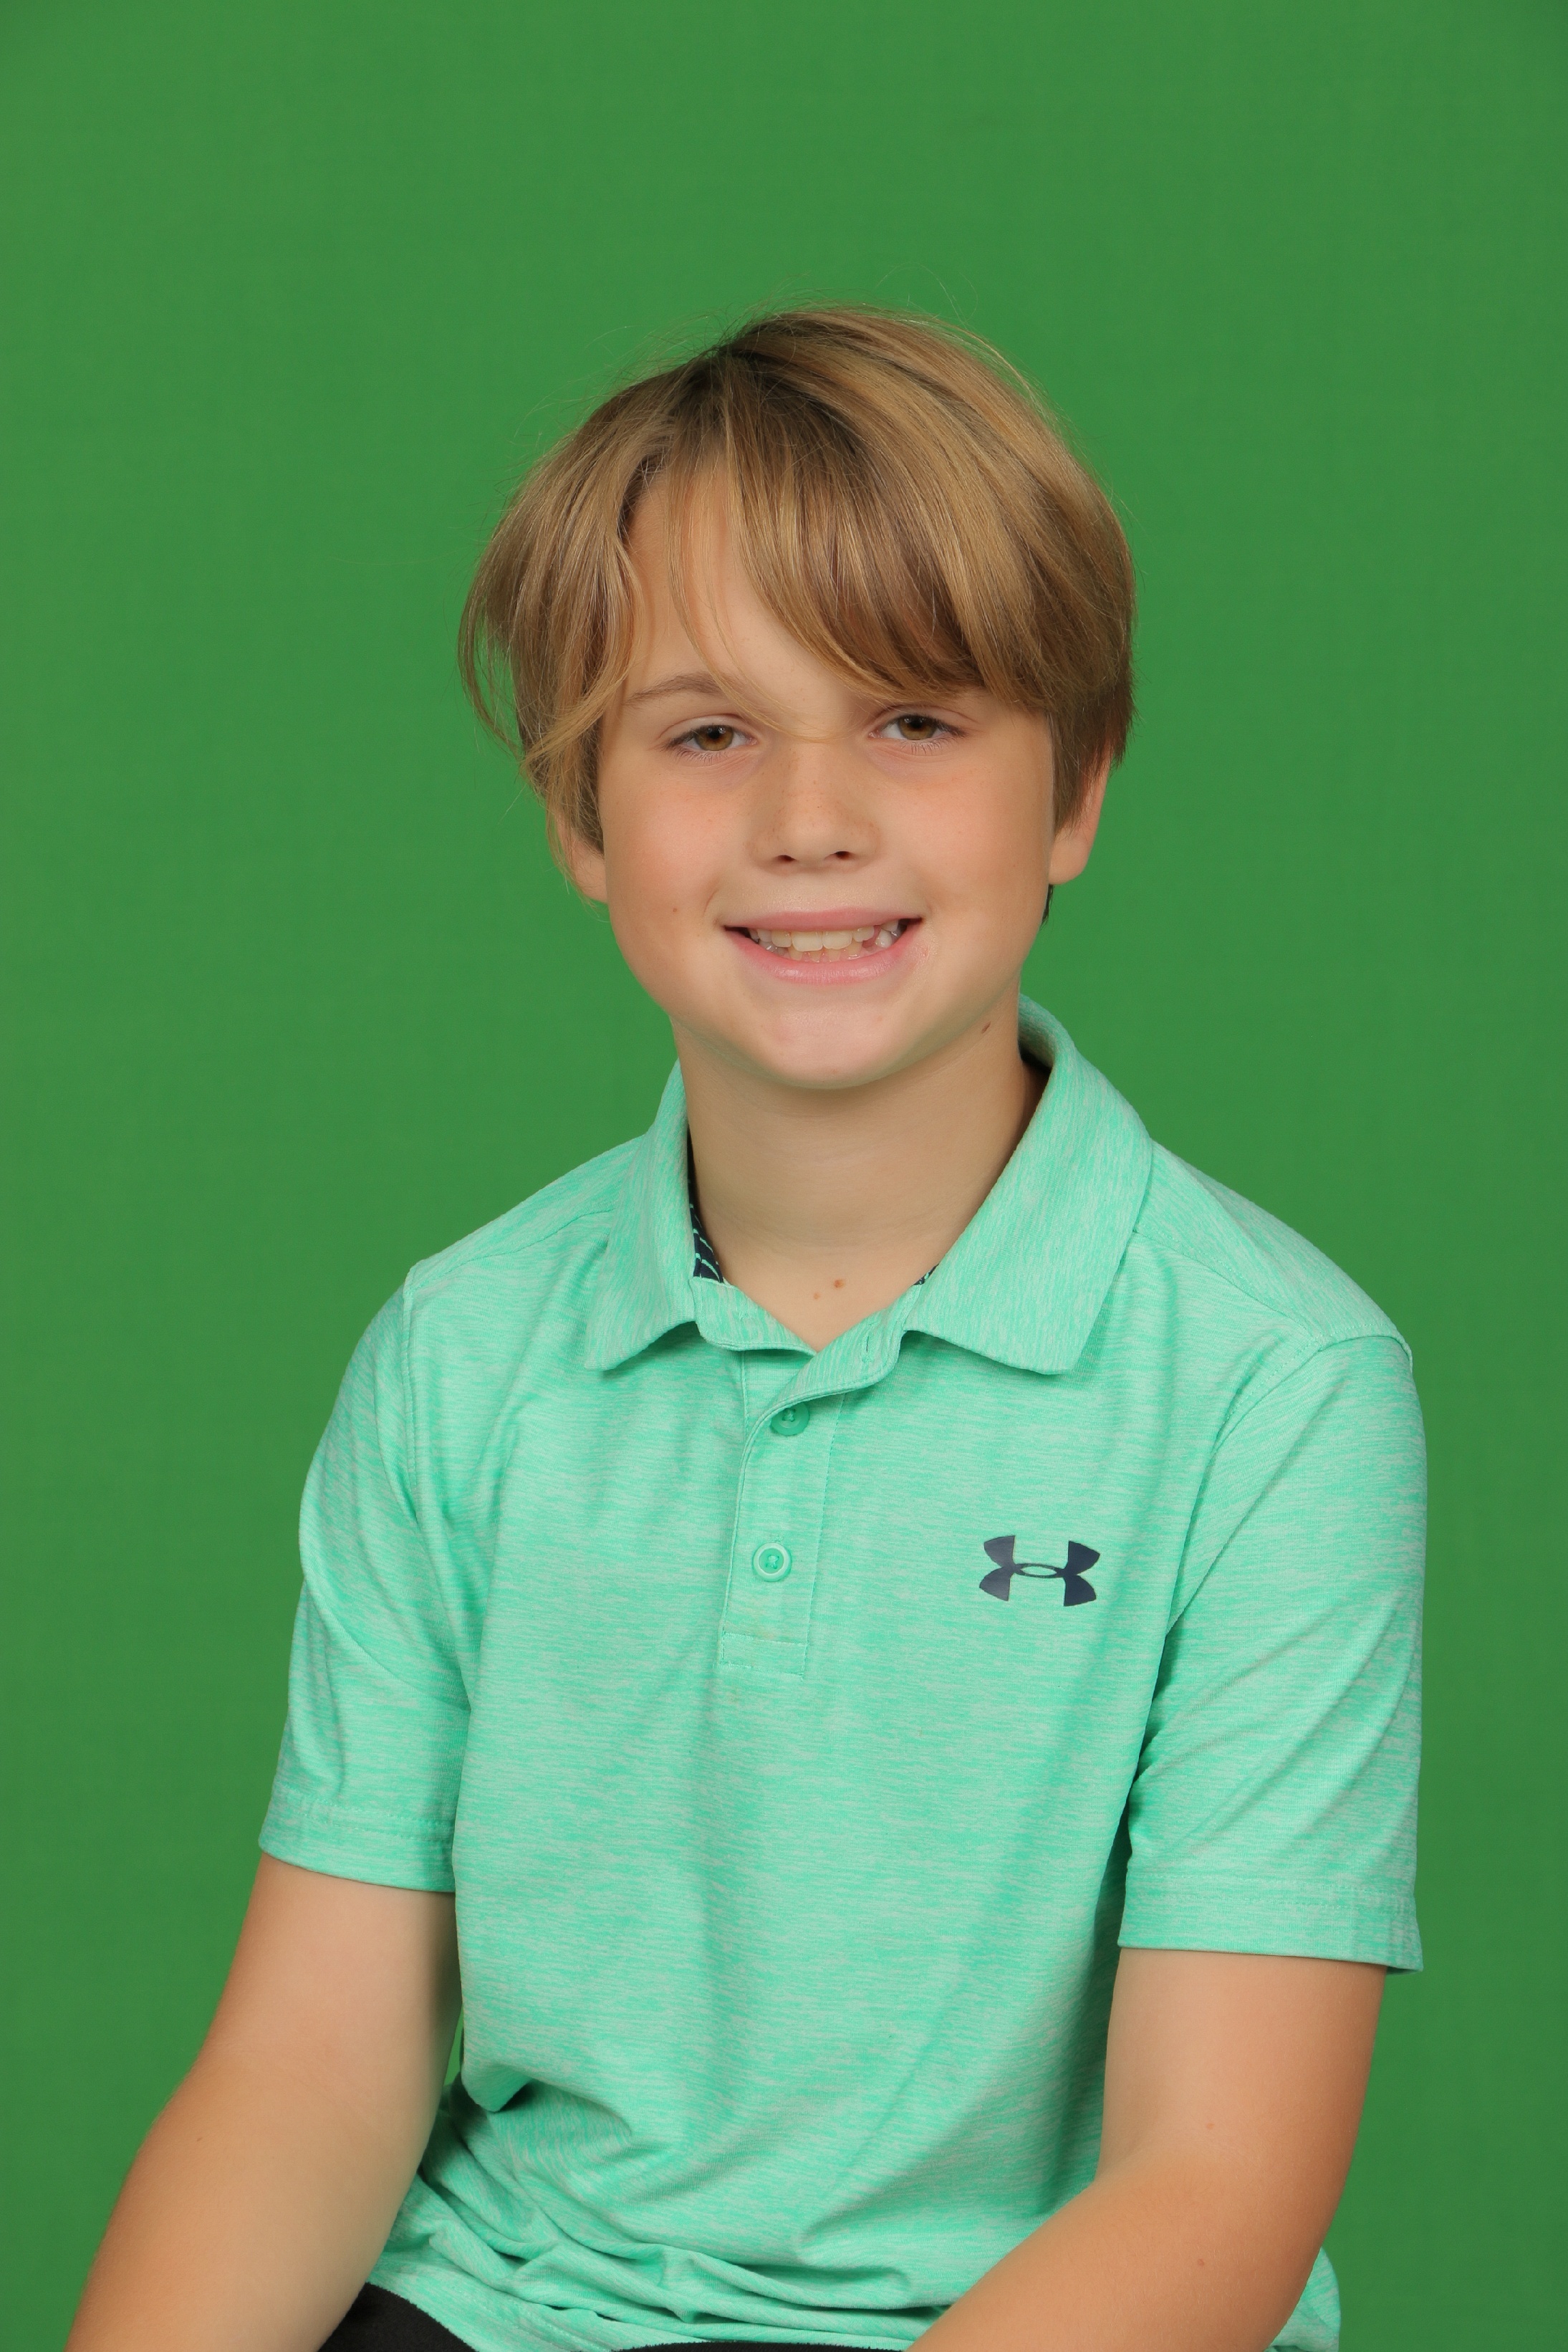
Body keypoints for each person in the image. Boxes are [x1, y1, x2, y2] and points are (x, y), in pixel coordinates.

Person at [65, 307, 1424, 2352]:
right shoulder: (463, 1355)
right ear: (583, 818)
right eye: (706, 733)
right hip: (516, 2304)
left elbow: (1213, 2180)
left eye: (915, 719)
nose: (811, 817)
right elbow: (309, 2075)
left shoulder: (1274, 1389)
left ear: (1075, 789)